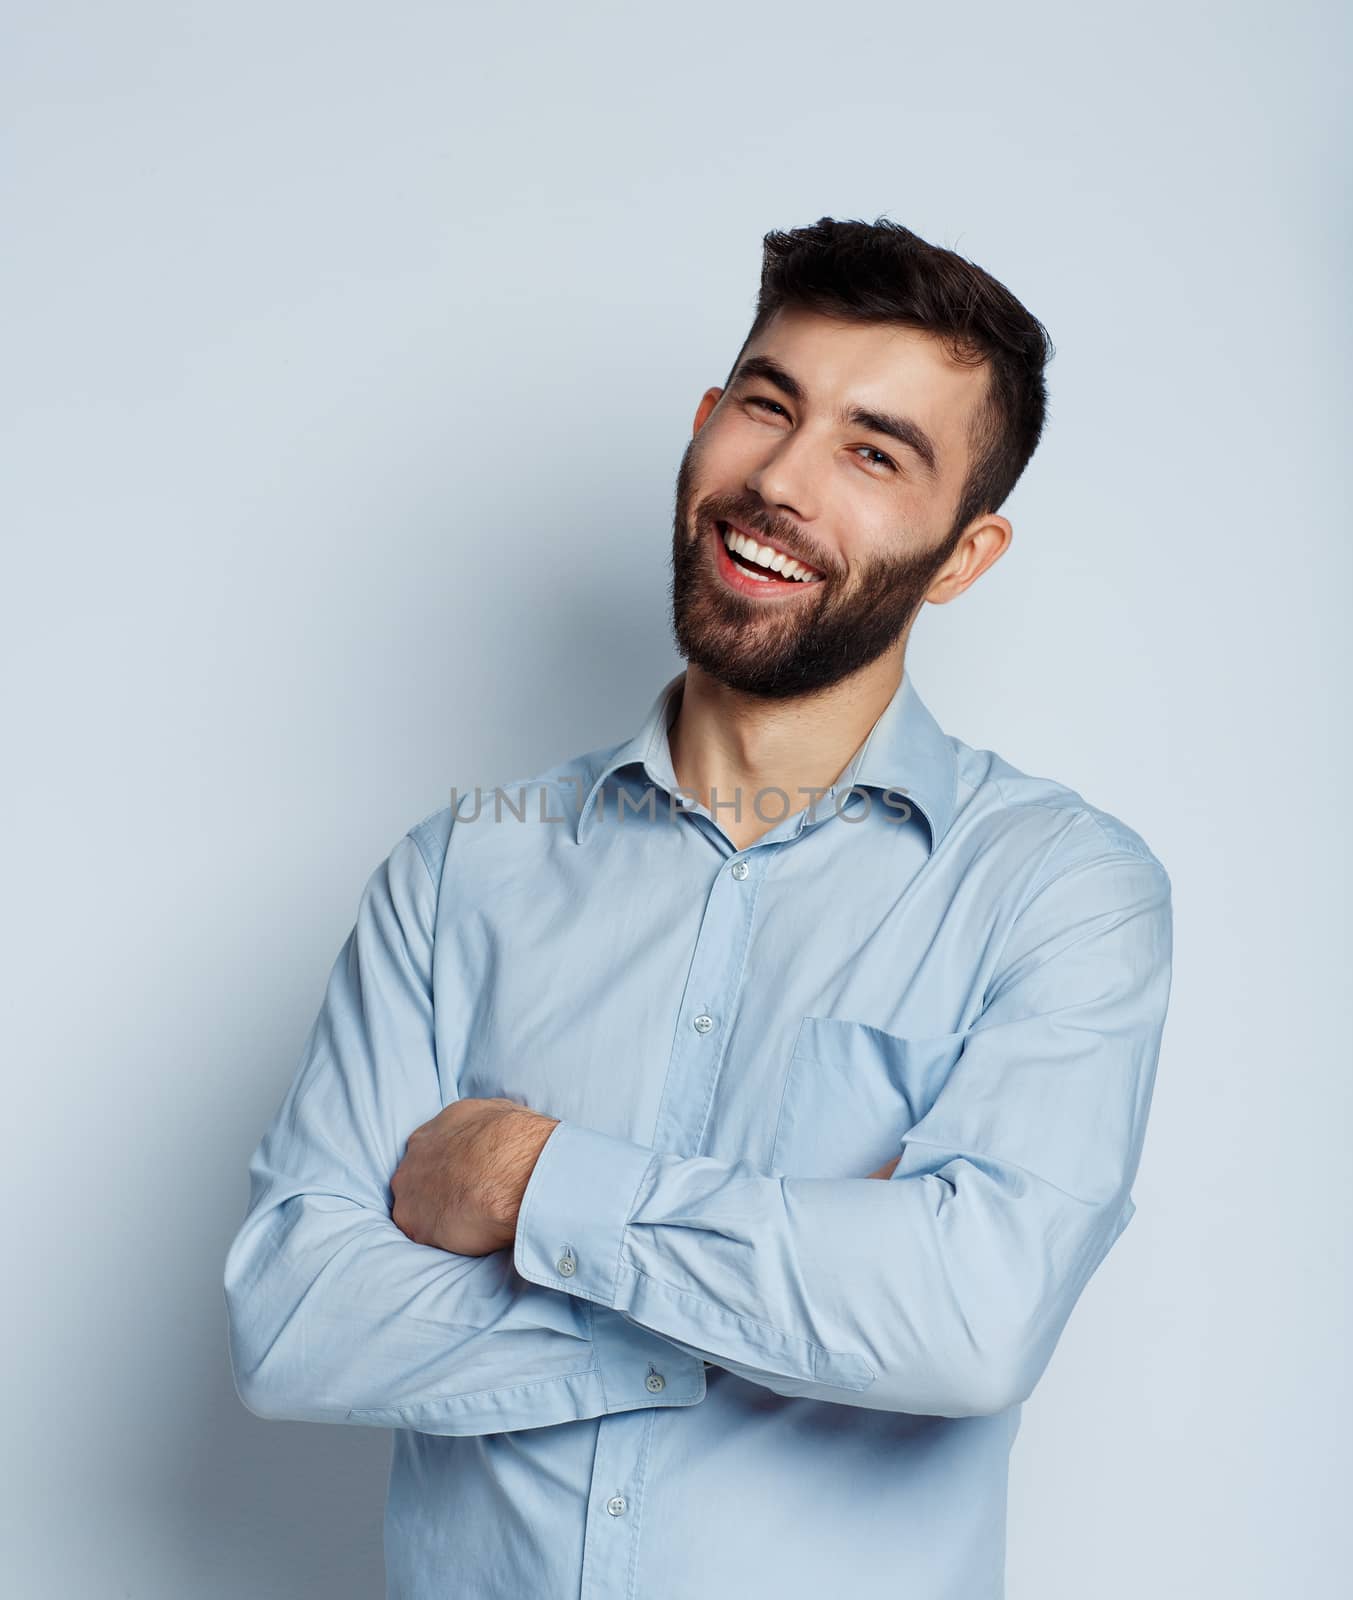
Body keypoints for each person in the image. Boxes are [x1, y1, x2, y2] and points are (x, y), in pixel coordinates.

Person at [224, 215, 1174, 1599]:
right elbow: (295, 1322)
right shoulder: (458, 874)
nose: (779, 480)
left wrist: (529, 1181)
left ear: (964, 556)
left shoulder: (1057, 891)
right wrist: (795, 1308)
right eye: (764, 406)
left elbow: (970, 1324)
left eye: (872, 451)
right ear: (706, 420)